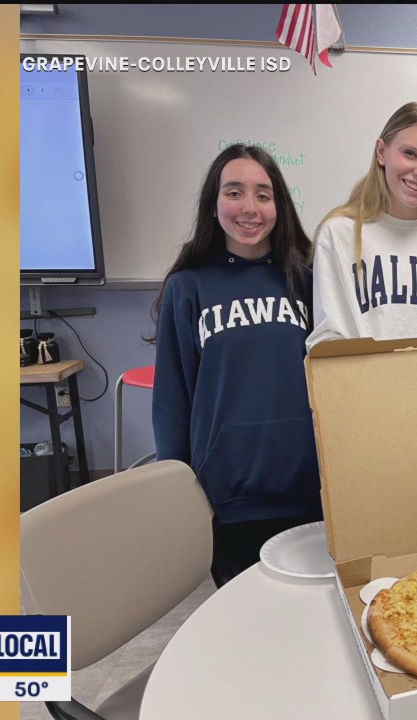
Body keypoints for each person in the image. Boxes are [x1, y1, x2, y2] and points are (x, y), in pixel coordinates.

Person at [150, 144, 320, 587]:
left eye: (264, 195)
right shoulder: (187, 287)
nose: (250, 208)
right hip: (229, 497)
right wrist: (178, 491)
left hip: (311, 489)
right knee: (246, 622)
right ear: (213, 204)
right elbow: (172, 398)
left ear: (280, 206)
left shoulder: (308, 280)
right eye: (234, 192)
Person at [307, 101, 417, 348]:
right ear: (382, 152)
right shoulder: (339, 234)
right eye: (410, 153)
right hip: (366, 386)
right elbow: (328, 337)